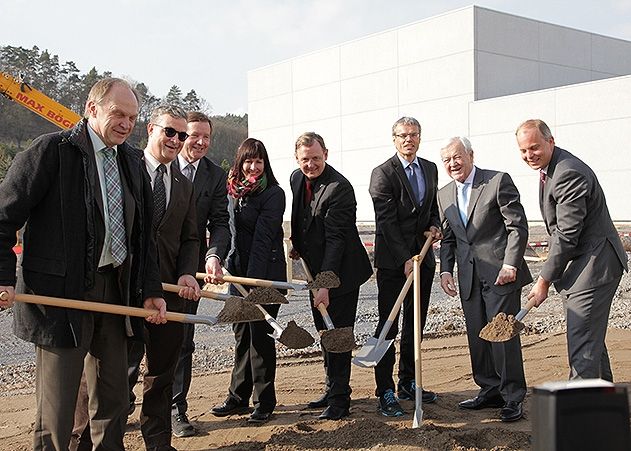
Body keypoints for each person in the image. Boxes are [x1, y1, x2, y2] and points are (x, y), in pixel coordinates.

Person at [0, 78, 166, 451]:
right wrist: (2, 276)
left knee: (113, 401)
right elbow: (4, 216)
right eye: (117, 114)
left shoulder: (132, 161)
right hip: (62, 294)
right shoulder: (52, 151)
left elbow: (143, 239)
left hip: (116, 291)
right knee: (57, 413)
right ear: (92, 109)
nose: (126, 123)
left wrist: (152, 290)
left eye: (132, 117)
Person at [515, 119, 628, 380]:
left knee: (582, 347)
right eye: (523, 151)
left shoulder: (567, 172)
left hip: (595, 265)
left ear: (550, 141)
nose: (529, 155)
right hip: (582, 265)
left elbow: (566, 234)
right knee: (589, 340)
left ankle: (582, 416)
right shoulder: (550, 168)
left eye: (534, 147)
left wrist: (543, 280)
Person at [437, 136, 530, 422]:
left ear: (470, 155)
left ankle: (513, 396)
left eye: (457, 157)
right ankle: (489, 389)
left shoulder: (497, 181)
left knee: (503, 337)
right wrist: (445, 271)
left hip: (501, 274)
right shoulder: (444, 194)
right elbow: (449, 238)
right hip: (468, 277)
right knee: (478, 336)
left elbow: (517, 227)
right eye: (447, 160)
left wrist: (510, 264)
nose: (453, 164)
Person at [128, 104, 200, 451]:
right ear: (150, 129)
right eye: (169, 132)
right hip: (124, 288)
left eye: (181, 135)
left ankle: (158, 442)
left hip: (170, 290)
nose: (176, 140)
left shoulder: (183, 185)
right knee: (113, 375)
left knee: (161, 375)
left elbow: (190, 237)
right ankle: (97, 442)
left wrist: (187, 272)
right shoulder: (125, 168)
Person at [289, 132, 372, 420]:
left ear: (326, 153)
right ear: (296, 158)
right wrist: (298, 246)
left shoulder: (340, 188)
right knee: (325, 333)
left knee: (338, 335)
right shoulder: (296, 178)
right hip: (317, 270)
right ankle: (330, 388)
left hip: (343, 274)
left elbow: (336, 239)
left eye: (316, 158)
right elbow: (301, 217)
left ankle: (340, 401)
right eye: (305, 159)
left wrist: (325, 285)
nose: (310, 164)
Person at [368, 117, 441, 417]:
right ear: (394, 139)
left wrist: (435, 226)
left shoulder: (430, 168)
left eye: (413, 135)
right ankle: (384, 389)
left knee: (416, 322)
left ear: (420, 138)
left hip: (423, 260)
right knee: (389, 323)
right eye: (403, 135)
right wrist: (404, 261)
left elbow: (432, 208)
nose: (408, 140)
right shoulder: (382, 173)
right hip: (393, 263)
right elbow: (386, 222)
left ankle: (408, 381)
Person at [210, 138, 286, 424]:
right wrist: (223, 262)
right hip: (237, 275)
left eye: (259, 162)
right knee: (241, 334)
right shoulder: (233, 192)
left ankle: (264, 401)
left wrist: (252, 282)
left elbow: (264, 240)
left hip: (264, 278)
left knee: (260, 337)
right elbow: (227, 231)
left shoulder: (274, 194)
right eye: (248, 161)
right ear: (239, 163)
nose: (253, 167)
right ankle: (238, 397)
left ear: (265, 164)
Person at [171, 111, 231, 437]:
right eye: (195, 136)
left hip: (192, 270)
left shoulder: (214, 175)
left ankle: (176, 409)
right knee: (134, 338)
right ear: (181, 135)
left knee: (182, 340)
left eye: (206, 137)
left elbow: (220, 223)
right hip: (152, 267)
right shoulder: (158, 164)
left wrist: (213, 256)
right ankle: (122, 406)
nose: (201, 143)